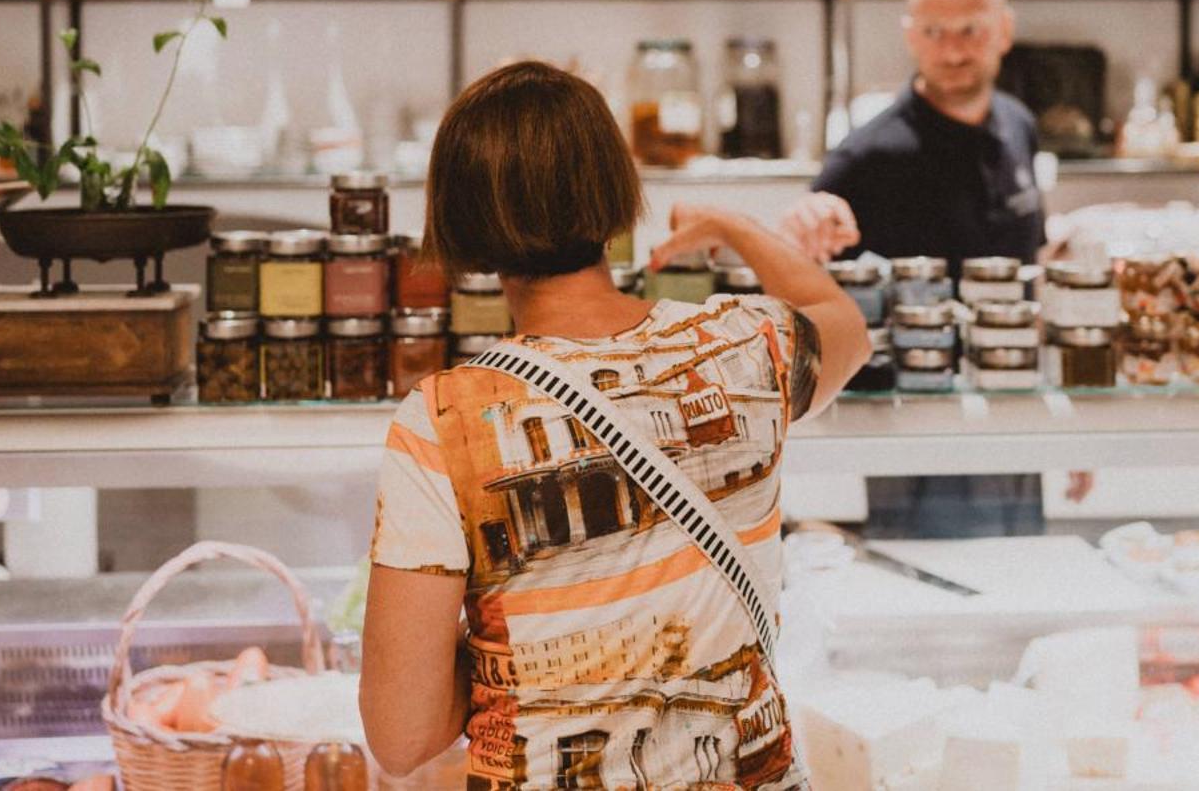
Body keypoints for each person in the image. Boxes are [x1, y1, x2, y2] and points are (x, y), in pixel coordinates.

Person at [360, 61, 870, 789]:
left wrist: (533, 638)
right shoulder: (745, 345)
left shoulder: (446, 419)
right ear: (615, 191)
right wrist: (732, 226)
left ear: (462, 217)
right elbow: (847, 324)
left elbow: (401, 736)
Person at [779, 0, 1088, 537]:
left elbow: (1030, 268)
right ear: (910, 37)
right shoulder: (869, 156)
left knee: (1020, 571)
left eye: (970, 29)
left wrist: (1066, 426)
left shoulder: (1018, 125)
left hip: (1014, 406)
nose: (953, 50)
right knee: (928, 596)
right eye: (934, 31)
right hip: (917, 426)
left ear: (1003, 30)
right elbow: (800, 261)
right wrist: (803, 220)